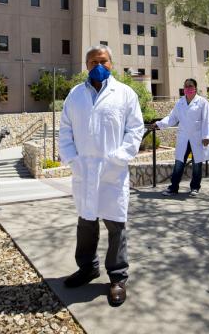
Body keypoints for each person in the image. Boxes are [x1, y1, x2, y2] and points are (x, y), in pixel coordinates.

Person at [59, 45, 144, 307]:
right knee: (86, 223)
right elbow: (65, 130)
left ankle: (117, 277)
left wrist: (119, 157)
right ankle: (88, 268)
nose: (99, 65)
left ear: (112, 63)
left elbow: (135, 129)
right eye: (94, 61)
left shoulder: (125, 94)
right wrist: (73, 160)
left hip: (113, 172)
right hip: (84, 171)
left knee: (116, 225)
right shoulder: (75, 95)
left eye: (104, 60)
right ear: (86, 65)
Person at [154, 78, 209, 197]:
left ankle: (195, 187)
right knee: (179, 163)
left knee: (197, 164)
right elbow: (172, 118)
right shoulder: (180, 103)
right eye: (186, 86)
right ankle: (173, 188)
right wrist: (159, 124)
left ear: (195, 88)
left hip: (197, 138)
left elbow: (207, 120)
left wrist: (206, 136)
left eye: (190, 86)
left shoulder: (202, 102)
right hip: (183, 138)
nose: (188, 88)